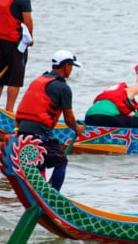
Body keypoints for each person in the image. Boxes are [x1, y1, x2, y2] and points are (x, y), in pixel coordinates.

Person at [15, 50, 85, 191]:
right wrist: (77, 128)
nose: (71, 70)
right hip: (41, 134)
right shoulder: (63, 87)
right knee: (61, 162)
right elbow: (69, 119)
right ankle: (53, 197)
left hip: (21, 133)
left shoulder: (39, 80)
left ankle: (39, 192)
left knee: (40, 163)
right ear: (66, 66)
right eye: (71, 66)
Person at [0, 0, 34, 112]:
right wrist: (30, 39)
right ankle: (9, 111)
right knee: (16, 77)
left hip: (1, 38)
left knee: (1, 73)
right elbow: (27, 20)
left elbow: (13, 8)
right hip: (15, 41)